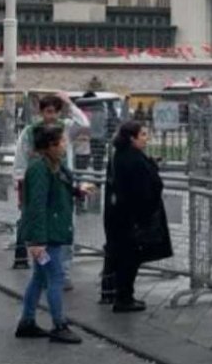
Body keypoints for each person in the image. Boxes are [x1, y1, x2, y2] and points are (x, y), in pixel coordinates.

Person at [14, 125, 96, 344]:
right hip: (46, 235)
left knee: (40, 277)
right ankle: (59, 325)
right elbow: (37, 206)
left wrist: (79, 191)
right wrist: (37, 240)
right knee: (56, 277)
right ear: (50, 146)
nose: (64, 145)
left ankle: (27, 321)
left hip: (52, 231)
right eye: (61, 142)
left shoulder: (54, 165)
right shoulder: (40, 168)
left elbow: (63, 185)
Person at [13, 94, 91, 287]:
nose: (52, 116)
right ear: (41, 112)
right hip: (41, 185)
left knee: (63, 229)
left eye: (55, 111)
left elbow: (83, 124)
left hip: (61, 187)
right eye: (48, 111)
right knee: (41, 227)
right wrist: (21, 184)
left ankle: (62, 272)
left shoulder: (65, 128)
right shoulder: (30, 132)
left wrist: (69, 103)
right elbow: (20, 158)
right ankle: (44, 271)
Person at [105, 121, 172, 312]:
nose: (146, 138)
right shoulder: (132, 159)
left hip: (123, 216)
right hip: (133, 218)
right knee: (130, 259)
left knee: (128, 257)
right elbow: (146, 188)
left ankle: (125, 295)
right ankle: (124, 298)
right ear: (132, 138)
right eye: (142, 135)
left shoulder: (122, 156)